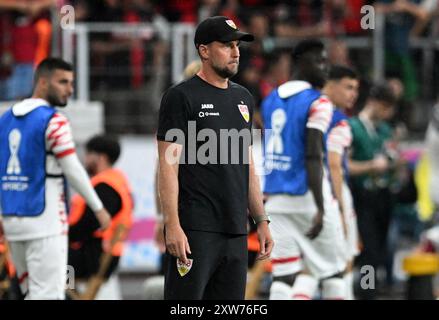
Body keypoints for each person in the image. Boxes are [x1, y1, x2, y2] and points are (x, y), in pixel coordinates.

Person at [157, 16, 273, 300]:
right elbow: (167, 167)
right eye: (226, 45)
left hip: (235, 230)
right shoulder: (180, 97)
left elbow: (248, 166)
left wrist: (261, 220)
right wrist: (172, 224)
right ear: (204, 50)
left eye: (237, 45)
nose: (235, 52)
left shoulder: (244, 98)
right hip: (196, 228)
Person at [0, 57, 111, 300]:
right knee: (48, 295)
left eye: (71, 83)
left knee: (30, 292)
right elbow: (72, 168)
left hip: (12, 222)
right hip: (45, 222)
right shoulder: (53, 120)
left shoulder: (5, 120)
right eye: (63, 82)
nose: (70, 90)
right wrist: (98, 208)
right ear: (42, 82)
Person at [262, 39, 346, 300]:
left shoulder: (270, 99)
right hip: (308, 197)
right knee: (334, 273)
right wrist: (321, 207)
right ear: (301, 63)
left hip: (276, 201)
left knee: (283, 276)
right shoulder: (319, 102)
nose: (325, 68)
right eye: (320, 61)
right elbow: (312, 155)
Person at [68, 135, 133, 300]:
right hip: (98, 256)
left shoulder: (105, 187)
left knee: (41, 261)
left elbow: (89, 225)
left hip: (91, 259)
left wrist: (60, 236)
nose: (85, 158)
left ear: (101, 157)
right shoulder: (117, 181)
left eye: (89, 154)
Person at [348, 83, 397, 299]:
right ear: (375, 103)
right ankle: (367, 292)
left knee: (381, 248)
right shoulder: (353, 127)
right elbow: (344, 165)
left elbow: (391, 155)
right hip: (361, 196)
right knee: (369, 250)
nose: (389, 113)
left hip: (384, 196)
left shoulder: (384, 129)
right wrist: (371, 166)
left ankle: (373, 287)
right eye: (386, 107)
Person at [322, 65, 360, 299]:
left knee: (299, 267)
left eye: (356, 89)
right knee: (344, 261)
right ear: (330, 84)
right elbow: (335, 165)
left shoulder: (305, 110)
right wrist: (341, 208)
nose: (353, 94)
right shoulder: (337, 120)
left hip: (302, 193)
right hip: (331, 192)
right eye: (348, 87)